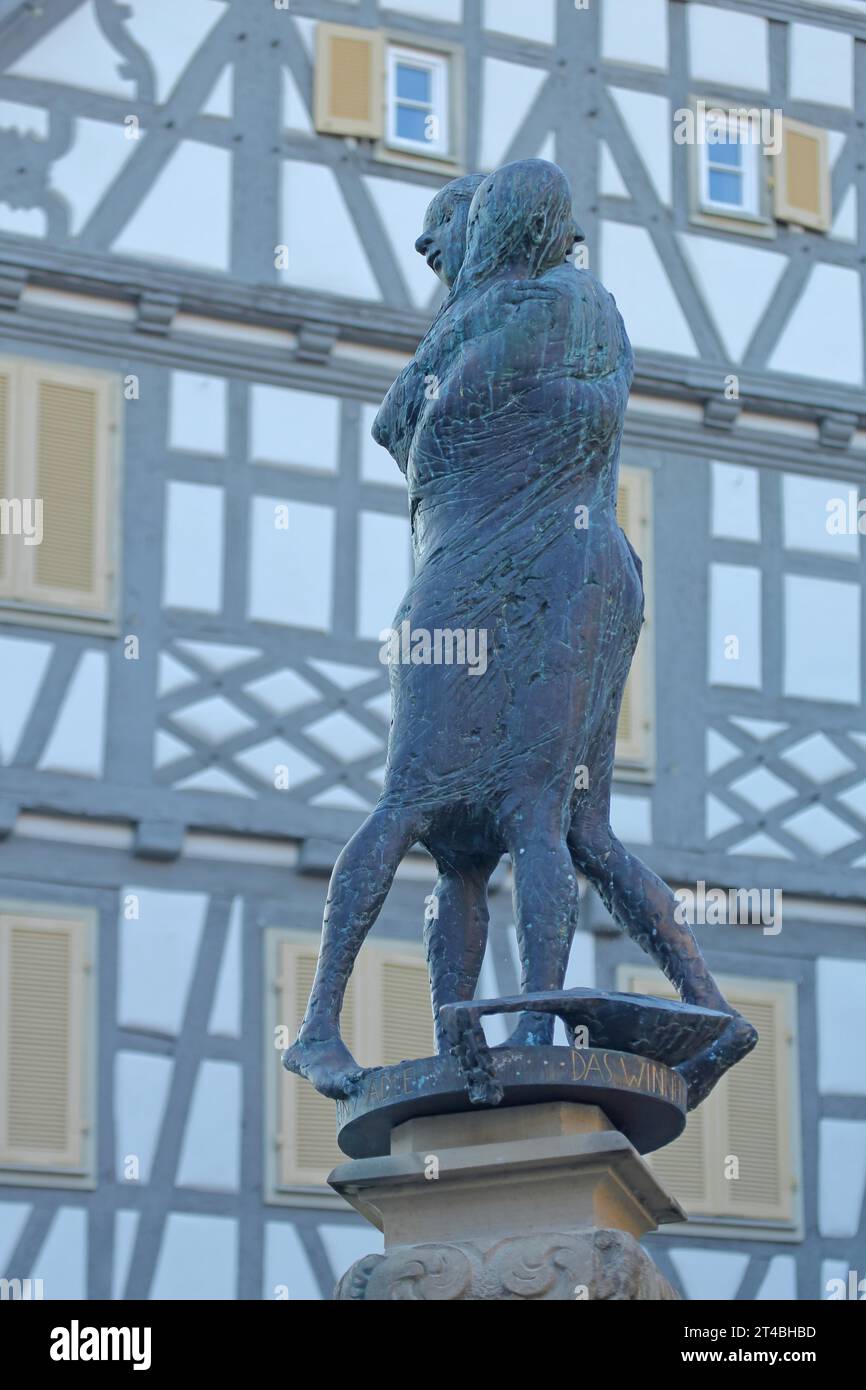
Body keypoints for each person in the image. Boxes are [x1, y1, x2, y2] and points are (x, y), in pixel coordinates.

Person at [284, 162, 757, 1108]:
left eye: (440, 236)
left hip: (488, 577)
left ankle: (323, 1021)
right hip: (585, 574)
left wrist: (446, 395)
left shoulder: (505, 312)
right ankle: (608, 1012)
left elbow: (403, 429)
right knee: (549, 821)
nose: (429, 256)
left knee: (423, 803)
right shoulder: (586, 311)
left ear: (488, 226)